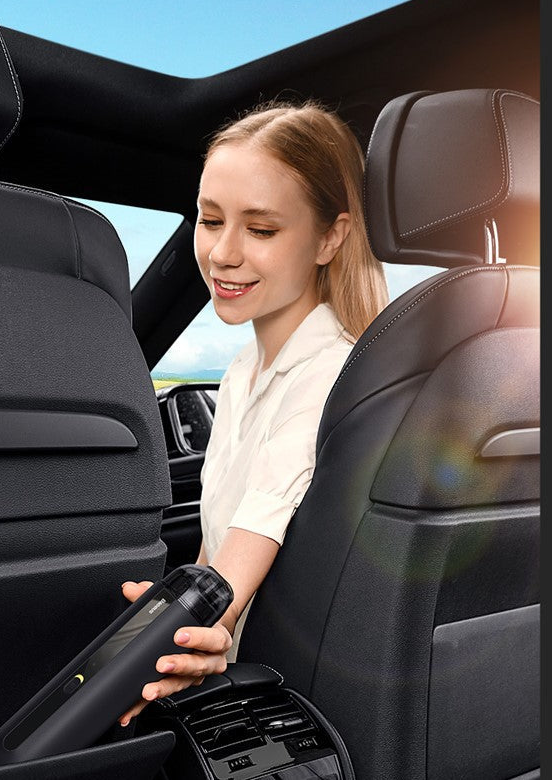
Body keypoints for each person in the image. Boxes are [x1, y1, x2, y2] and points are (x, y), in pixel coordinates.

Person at [118, 100, 388, 727]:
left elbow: (258, 525)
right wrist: (170, 614)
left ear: (331, 237)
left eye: (261, 230)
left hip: (264, 695)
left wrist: (206, 620)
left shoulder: (330, 376)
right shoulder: (243, 369)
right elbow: (220, 549)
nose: (222, 253)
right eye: (210, 220)